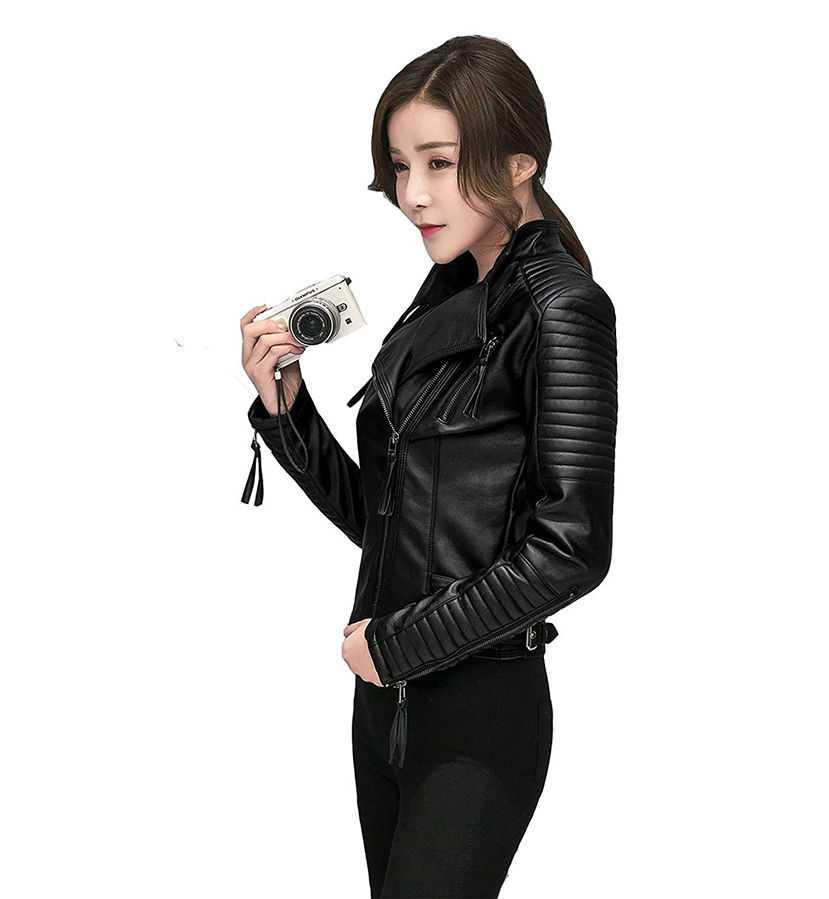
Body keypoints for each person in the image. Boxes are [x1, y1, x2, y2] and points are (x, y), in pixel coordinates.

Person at [240, 35, 617, 899]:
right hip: (383, 706)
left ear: (520, 162)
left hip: (475, 712)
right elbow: (389, 515)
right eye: (402, 167)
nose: (413, 194)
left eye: (440, 164)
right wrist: (287, 412)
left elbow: (572, 549)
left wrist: (397, 643)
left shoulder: (563, 310)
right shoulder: (443, 298)